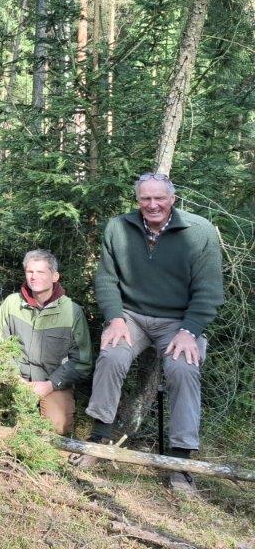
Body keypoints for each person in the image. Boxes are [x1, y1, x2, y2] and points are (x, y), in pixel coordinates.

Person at [75, 173, 223, 492]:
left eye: (159, 198)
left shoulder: (199, 232)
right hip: (131, 316)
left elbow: (209, 292)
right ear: (137, 200)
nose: (152, 204)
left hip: (178, 321)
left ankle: (181, 461)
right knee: (112, 355)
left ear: (173, 199)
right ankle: (99, 439)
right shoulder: (118, 228)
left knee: (184, 367)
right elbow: (106, 280)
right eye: (145, 198)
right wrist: (115, 318)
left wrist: (190, 330)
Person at [0, 249, 92, 435]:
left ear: (55, 276)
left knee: (57, 428)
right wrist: (15, 379)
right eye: (30, 271)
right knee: (3, 424)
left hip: (53, 383)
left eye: (40, 272)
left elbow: (82, 362)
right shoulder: (11, 304)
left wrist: (49, 385)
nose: (34, 277)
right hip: (15, 379)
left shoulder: (72, 311)